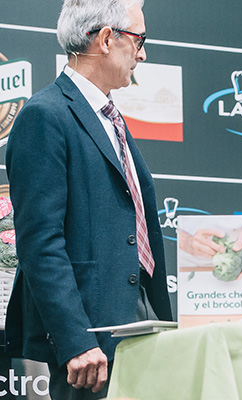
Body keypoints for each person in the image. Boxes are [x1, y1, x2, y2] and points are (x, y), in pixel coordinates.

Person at [4, 0, 172, 397]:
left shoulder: (109, 117)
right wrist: (76, 339)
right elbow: (40, 243)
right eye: (139, 39)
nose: (143, 53)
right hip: (90, 340)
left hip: (140, 321)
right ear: (106, 39)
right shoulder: (45, 115)